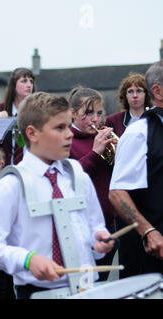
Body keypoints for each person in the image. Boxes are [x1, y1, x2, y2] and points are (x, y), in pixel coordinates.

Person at [0, 92, 114, 299]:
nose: (69, 134)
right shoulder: (11, 186)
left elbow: (95, 227)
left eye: (68, 126)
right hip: (37, 293)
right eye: (59, 127)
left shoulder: (78, 176)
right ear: (32, 133)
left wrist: (100, 242)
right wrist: (27, 259)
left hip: (87, 289)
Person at [109, 61, 163, 278]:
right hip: (151, 253)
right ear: (158, 91)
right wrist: (148, 231)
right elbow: (117, 193)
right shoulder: (138, 133)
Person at [68, 86, 118, 281]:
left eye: (98, 113)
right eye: (88, 113)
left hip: (110, 223)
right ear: (72, 114)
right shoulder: (67, 140)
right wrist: (95, 153)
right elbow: (72, 178)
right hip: (83, 227)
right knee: (87, 285)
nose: (95, 119)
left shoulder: (103, 139)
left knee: (102, 284)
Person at [0, 67, 36, 165]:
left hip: (30, 168)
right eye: (24, 81)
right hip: (4, 168)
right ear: (14, 85)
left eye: (31, 81)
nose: (29, 85)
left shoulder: (37, 111)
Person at [105, 73, 152, 137]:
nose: (135, 95)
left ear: (146, 94)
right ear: (125, 95)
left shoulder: (155, 118)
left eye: (139, 91)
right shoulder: (112, 121)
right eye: (130, 91)